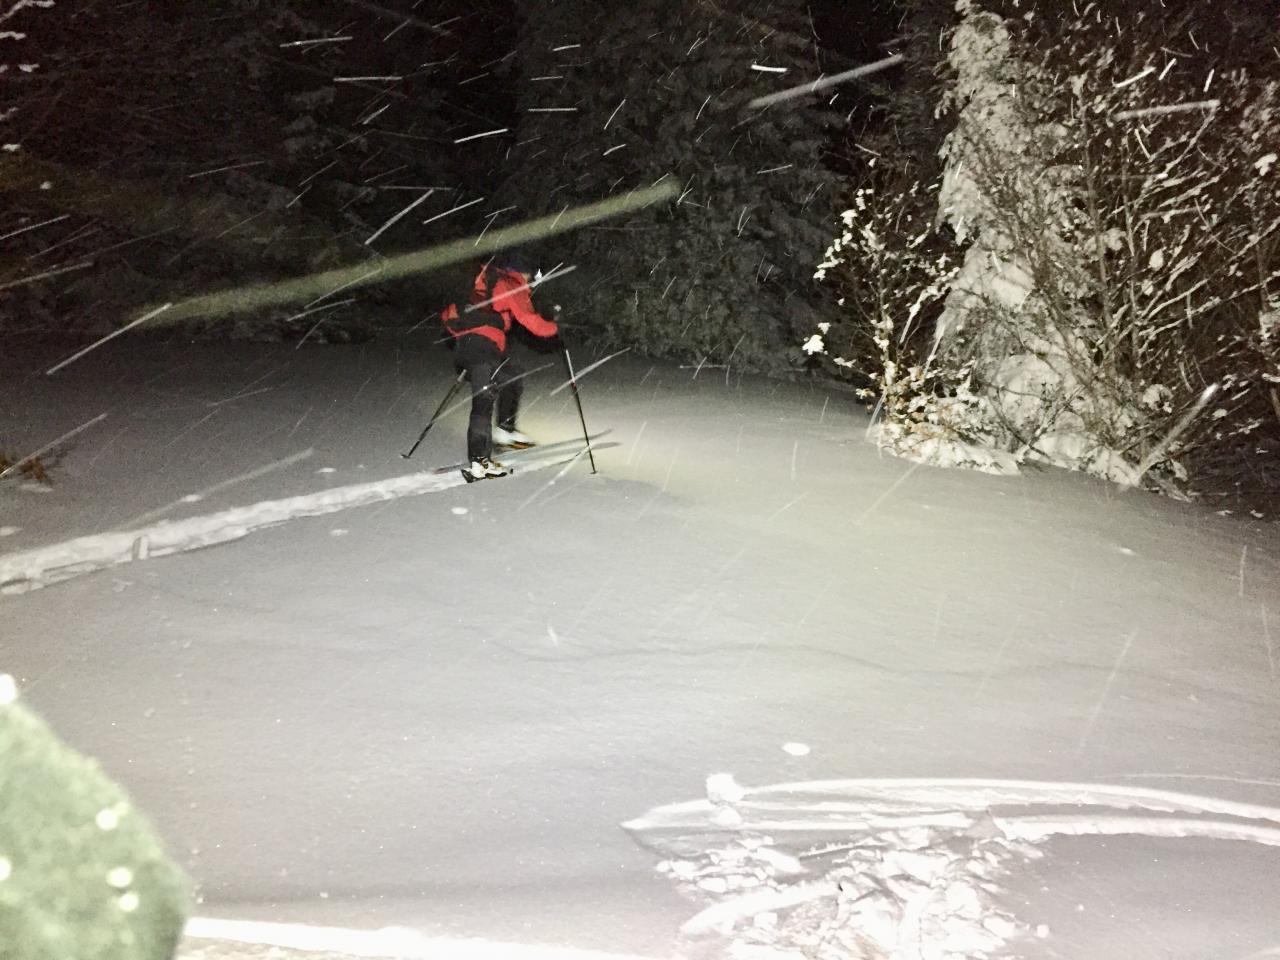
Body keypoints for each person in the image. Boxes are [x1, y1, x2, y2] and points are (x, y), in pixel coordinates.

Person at [440, 250, 560, 482]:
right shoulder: (511, 284)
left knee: (511, 377)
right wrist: (554, 328)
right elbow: (530, 321)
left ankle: (505, 432)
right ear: (524, 273)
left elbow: (451, 317)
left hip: (468, 347)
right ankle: (479, 462)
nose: (533, 281)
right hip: (483, 348)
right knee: (483, 401)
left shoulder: (487, 282)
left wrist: (469, 338)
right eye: (533, 276)